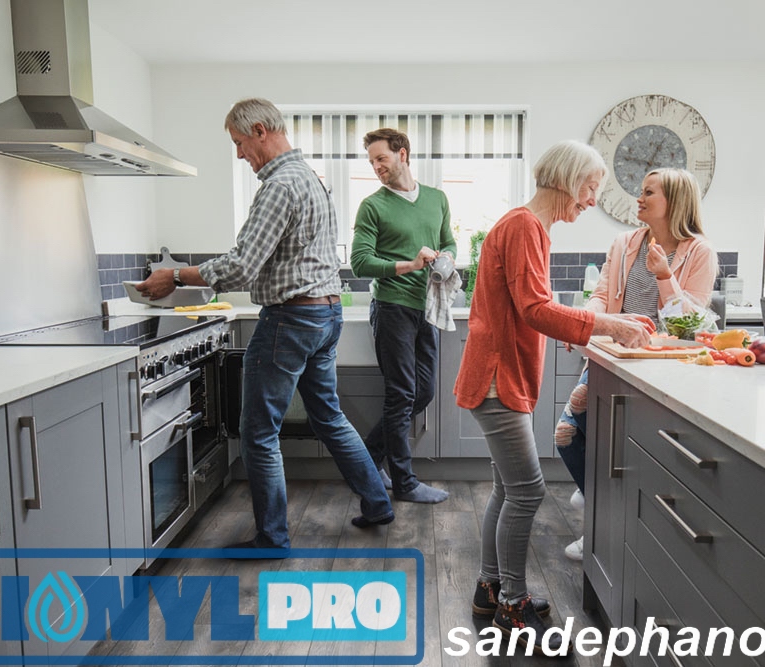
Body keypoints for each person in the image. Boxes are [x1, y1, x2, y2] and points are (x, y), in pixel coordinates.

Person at [137, 98, 394, 553]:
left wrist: (175, 275)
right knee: (330, 417)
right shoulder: (311, 179)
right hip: (324, 314)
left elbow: (241, 268)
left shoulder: (279, 185)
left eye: (238, 143)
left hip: (291, 320)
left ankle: (272, 538)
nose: (239, 154)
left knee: (258, 430)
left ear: (259, 130)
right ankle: (377, 503)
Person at [453, 140, 654, 651]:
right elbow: (536, 308)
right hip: (499, 379)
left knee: (507, 489)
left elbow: (528, 308)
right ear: (567, 179)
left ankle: (490, 589)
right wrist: (605, 323)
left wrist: (581, 325)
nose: (591, 200)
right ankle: (514, 607)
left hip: (499, 377)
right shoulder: (525, 227)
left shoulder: (523, 225)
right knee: (526, 491)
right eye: (590, 187)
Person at [557, 167, 718, 561]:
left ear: (674, 201)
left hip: (661, 366)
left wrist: (665, 274)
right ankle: (597, 502)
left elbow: (690, 323)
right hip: (614, 354)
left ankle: (603, 528)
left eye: (649, 193)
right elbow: (600, 295)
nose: (639, 199)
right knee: (565, 435)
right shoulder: (625, 242)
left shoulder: (699, 252)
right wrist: (582, 325)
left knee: (628, 453)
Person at [350, 128, 455, 504]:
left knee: (422, 391)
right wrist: (409, 265)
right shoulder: (372, 206)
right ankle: (405, 483)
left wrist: (447, 258)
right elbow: (360, 263)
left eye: (382, 158)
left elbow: (449, 241)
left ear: (403, 154)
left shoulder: (437, 199)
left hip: (427, 306)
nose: (377, 167)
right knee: (400, 395)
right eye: (372, 161)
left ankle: (364, 459)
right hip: (392, 306)